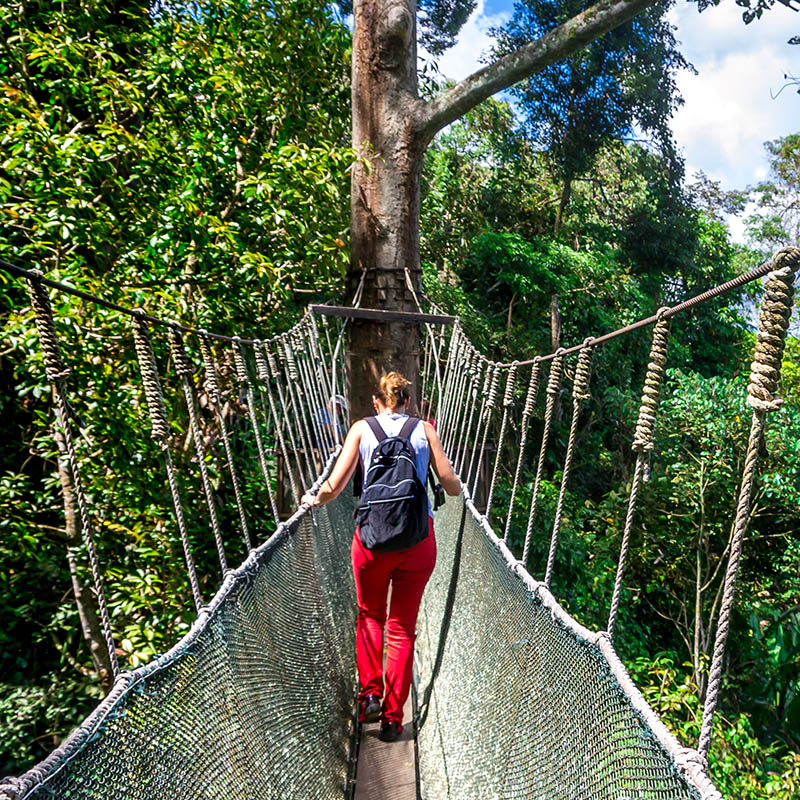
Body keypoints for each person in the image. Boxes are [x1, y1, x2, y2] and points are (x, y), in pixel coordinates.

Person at [301, 371, 460, 742]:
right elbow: (450, 485)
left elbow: (334, 486)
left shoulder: (361, 428)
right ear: (408, 401)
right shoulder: (425, 431)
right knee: (401, 629)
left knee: (371, 615)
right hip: (417, 542)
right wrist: (453, 485)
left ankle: (370, 695)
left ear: (377, 402)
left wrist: (314, 498)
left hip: (371, 542)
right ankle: (392, 719)